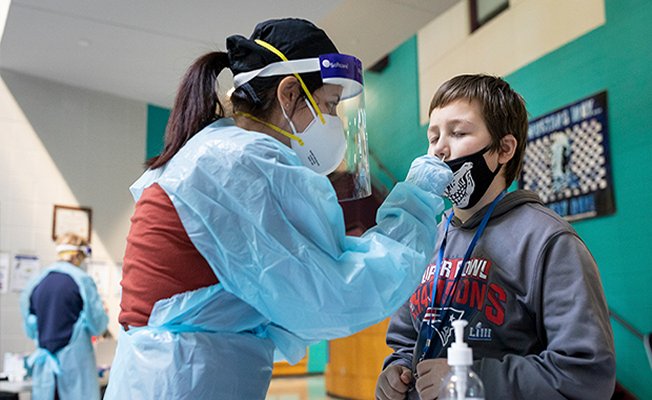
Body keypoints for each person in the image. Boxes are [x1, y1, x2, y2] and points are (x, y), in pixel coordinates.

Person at [103, 18, 453, 400]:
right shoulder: (238, 163)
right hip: (182, 380)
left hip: (176, 375)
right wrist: (417, 201)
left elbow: (285, 306)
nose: (334, 121)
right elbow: (333, 297)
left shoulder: (213, 154)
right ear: (289, 93)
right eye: (329, 105)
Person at [376, 74, 616, 400]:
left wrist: (469, 377)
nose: (439, 149)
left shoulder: (548, 240)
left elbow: (586, 374)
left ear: (503, 149)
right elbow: (406, 342)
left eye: (458, 133)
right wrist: (396, 369)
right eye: (433, 137)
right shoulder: (426, 238)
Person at [20, 232, 108, 400]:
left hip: (46, 373)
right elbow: (98, 325)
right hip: (75, 369)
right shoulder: (82, 281)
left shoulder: (37, 281)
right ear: (78, 256)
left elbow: (30, 330)